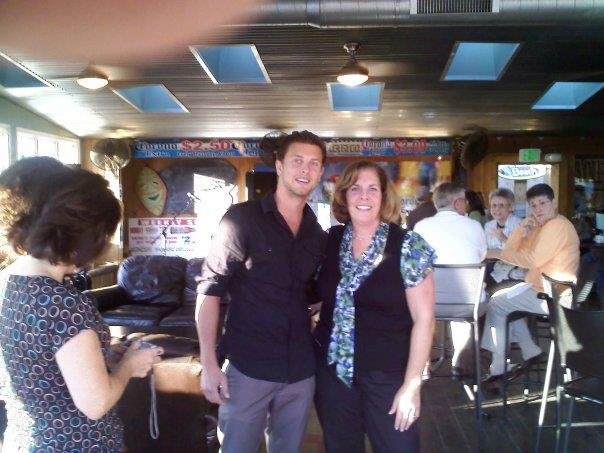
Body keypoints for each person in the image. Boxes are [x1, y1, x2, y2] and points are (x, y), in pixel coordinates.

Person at [0, 157, 163, 451]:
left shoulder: (6, 283)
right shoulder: (63, 303)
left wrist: (102, 356)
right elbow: (96, 404)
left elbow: (40, 367)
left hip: (22, 441)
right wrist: (129, 365)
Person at [196, 130, 327, 453]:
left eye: (314, 163)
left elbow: (311, 293)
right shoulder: (242, 220)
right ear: (279, 166)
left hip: (299, 370)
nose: (305, 169)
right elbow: (209, 291)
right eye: (297, 160)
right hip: (248, 368)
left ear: (321, 172)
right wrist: (209, 364)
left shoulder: (317, 234)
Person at [314, 160, 435, 453]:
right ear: (344, 195)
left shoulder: (409, 245)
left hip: (389, 375)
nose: (364, 196)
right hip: (333, 374)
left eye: (372, 189)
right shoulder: (329, 241)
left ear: (384, 196)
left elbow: (425, 319)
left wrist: (412, 385)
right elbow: (314, 296)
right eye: (355, 188)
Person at [482, 183, 580, 382]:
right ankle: (530, 351)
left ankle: (500, 366)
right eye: (533, 205)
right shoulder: (543, 226)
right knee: (501, 299)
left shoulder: (557, 226)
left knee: (496, 304)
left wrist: (497, 253)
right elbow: (514, 251)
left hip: (554, 295)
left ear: (554, 203)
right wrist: (521, 228)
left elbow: (532, 260)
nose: (538, 209)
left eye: (542, 203)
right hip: (541, 287)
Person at [414, 182, 487, 379]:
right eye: (465, 201)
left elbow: (416, 263)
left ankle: (423, 364)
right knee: (465, 304)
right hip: (468, 305)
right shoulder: (474, 226)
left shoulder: (421, 226)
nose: (467, 205)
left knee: (423, 309)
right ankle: (459, 362)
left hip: (431, 303)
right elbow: (481, 256)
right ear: (457, 203)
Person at [484, 188, 524, 293]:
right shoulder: (489, 226)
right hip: (493, 267)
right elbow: (485, 250)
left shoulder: (519, 225)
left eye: (501, 205)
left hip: (514, 270)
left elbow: (523, 252)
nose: (497, 209)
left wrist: (504, 238)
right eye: (494, 205)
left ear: (510, 207)